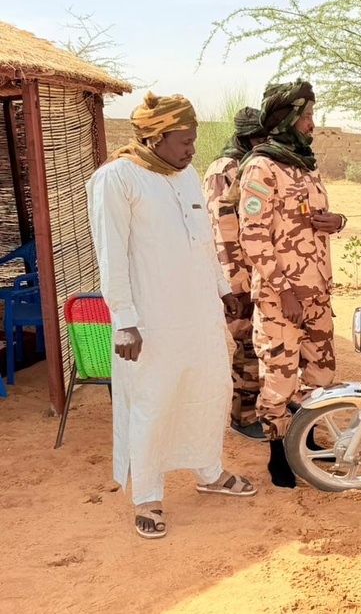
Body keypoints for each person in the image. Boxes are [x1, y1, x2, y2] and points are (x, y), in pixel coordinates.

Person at [87, 92, 256, 541]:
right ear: (155, 137)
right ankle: (147, 495)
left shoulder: (184, 176)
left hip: (199, 315)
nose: (192, 148)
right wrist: (123, 319)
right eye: (184, 139)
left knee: (209, 390)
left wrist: (223, 289)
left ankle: (209, 472)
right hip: (151, 321)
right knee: (152, 402)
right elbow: (111, 256)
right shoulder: (116, 179)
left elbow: (203, 241)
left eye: (194, 139)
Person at [238, 80, 345, 488]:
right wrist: (284, 290)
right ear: (285, 119)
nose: (312, 124)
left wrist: (337, 222)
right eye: (306, 116)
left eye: (312, 115)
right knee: (280, 377)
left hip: (317, 291)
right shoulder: (260, 167)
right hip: (281, 297)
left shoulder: (305, 164)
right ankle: (278, 453)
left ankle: (309, 440)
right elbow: (254, 237)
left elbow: (315, 218)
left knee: (321, 374)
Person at [203, 107, 267, 441]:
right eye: (260, 138)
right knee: (248, 342)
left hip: (246, 269)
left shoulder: (242, 164)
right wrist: (238, 280)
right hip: (235, 271)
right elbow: (224, 232)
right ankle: (243, 417)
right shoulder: (225, 169)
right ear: (246, 137)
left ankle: (256, 408)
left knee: (257, 342)